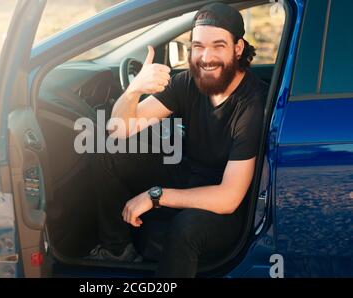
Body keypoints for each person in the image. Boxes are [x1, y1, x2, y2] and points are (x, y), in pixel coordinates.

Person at [87, 2, 269, 277]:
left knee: (186, 228)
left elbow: (229, 197)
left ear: (238, 47)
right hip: (188, 174)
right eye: (198, 46)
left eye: (218, 46)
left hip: (230, 206)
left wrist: (155, 196)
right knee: (109, 152)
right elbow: (118, 129)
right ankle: (117, 249)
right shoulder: (188, 82)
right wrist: (134, 89)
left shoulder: (252, 104)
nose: (206, 57)